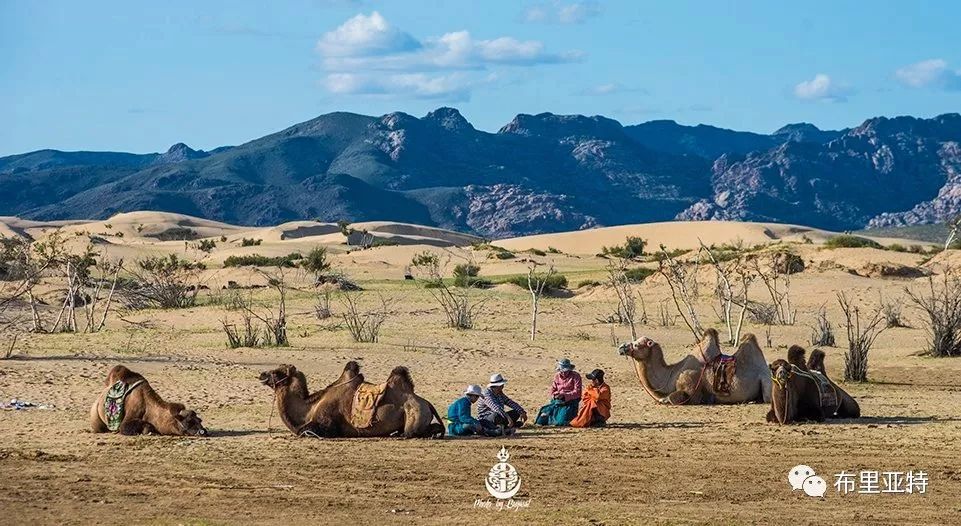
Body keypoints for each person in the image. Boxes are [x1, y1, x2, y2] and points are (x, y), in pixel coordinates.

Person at [535, 358, 582, 426]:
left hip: (570, 402)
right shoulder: (557, 376)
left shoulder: (576, 376)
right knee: (541, 420)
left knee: (561, 422)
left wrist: (564, 396)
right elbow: (553, 390)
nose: (563, 373)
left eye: (565, 371)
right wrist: (555, 395)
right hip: (557, 401)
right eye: (561, 371)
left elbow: (577, 392)